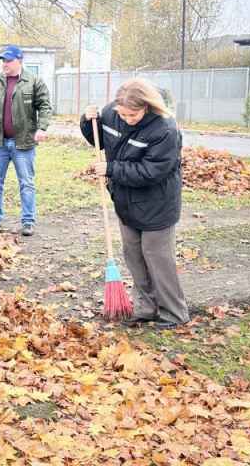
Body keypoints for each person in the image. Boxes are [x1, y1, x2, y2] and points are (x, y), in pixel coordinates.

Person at [79, 79, 189, 330]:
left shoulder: (165, 130)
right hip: (125, 199)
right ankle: (146, 308)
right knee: (134, 256)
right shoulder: (111, 113)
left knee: (157, 257)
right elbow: (98, 139)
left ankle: (174, 312)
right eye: (124, 114)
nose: (128, 118)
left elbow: (152, 171)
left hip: (157, 203)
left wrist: (111, 168)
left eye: (134, 114)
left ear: (147, 107)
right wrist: (88, 121)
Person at [0, 44, 52, 236]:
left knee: (26, 183)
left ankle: (28, 222)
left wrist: (42, 128)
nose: (4, 64)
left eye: (8, 61)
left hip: (23, 143)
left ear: (19, 60)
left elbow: (45, 107)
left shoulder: (33, 82)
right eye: (3, 61)